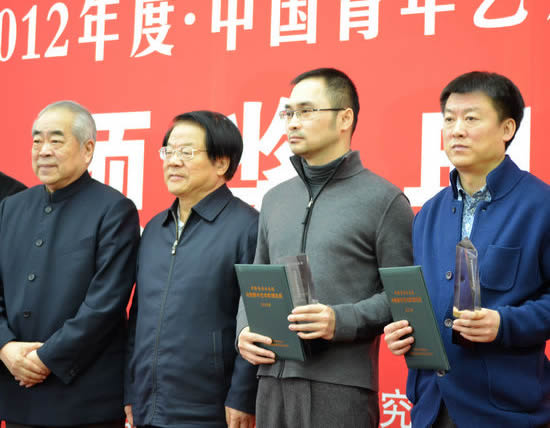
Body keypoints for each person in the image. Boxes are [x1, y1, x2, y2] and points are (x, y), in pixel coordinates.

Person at [236, 68, 414, 428]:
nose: (292, 122)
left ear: (344, 118)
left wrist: (341, 320)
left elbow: (403, 297)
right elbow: (256, 277)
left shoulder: (384, 200)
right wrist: (244, 330)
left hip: (341, 387)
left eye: (306, 111)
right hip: (272, 381)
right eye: (288, 113)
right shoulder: (274, 199)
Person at [384, 71, 550, 427]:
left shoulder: (541, 206)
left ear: (507, 129)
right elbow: (423, 300)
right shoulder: (428, 213)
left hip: (506, 412)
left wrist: (504, 323)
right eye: (449, 119)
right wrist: (404, 332)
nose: (456, 130)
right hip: (433, 407)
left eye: (471, 118)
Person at [0, 101, 140, 427]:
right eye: (37, 140)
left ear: (87, 149)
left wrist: (45, 358)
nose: (43, 150)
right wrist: (5, 346)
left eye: (56, 140)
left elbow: (104, 304)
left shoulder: (114, 210)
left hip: (83, 398)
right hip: (17, 393)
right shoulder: (10, 208)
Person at [125, 111, 258, 428]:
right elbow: (138, 317)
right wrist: (131, 389)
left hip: (211, 410)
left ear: (221, 163)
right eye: (168, 151)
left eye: (186, 152)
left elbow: (258, 319)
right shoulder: (155, 228)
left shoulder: (248, 228)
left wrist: (242, 396)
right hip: (147, 406)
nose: (173, 161)